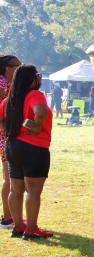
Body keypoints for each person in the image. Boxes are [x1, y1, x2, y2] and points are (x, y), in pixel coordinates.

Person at [0, 64, 53, 239]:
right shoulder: (35, 95)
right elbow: (41, 111)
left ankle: (18, 227)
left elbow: (1, 119)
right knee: (33, 191)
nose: (39, 78)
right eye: (37, 75)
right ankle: (31, 230)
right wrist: (37, 127)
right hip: (34, 148)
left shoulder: (10, 99)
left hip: (13, 147)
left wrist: (8, 131)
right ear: (32, 79)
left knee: (15, 190)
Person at [0, 56, 21, 229]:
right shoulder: (2, 84)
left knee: (9, 177)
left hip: (5, 133)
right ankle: (7, 218)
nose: (19, 69)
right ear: (8, 68)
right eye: (17, 66)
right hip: (3, 135)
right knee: (8, 177)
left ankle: (9, 217)